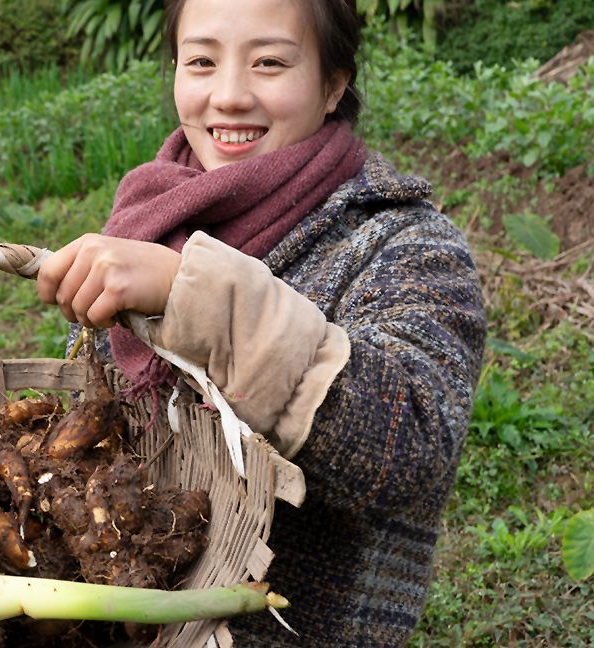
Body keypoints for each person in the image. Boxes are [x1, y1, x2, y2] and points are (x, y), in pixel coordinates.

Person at [35, 0, 486, 645]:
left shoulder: (401, 244)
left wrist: (192, 293)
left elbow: (410, 447)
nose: (229, 95)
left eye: (269, 62)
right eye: (201, 61)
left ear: (334, 83)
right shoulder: (150, 214)